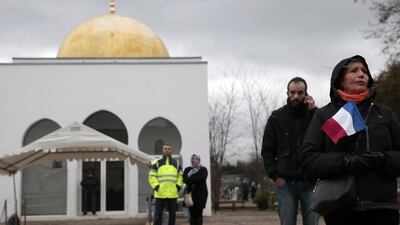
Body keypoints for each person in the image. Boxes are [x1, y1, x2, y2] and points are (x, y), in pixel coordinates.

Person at [300, 55, 400, 225]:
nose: (361, 74)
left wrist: (383, 159)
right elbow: (309, 160)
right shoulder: (325, 115)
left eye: (364, 71)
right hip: (341, 207)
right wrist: (346, 162)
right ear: (340, 80)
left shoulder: (385, 114)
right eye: (354, 70)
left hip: (382, 207)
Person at [261, 77, 319, 225]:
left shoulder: (315, 116)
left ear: (306, 94)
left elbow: (324, 141)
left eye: (300, 93)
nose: (296, 96)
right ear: (287, 93)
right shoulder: (276, 117)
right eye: (292, 92)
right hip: (285, 183)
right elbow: (267, 150)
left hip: (311, 182)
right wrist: (275, 176)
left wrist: (313, 112)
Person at [148, 144, 183, 225]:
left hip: (172, 193)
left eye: (169, 149)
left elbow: (180, 176)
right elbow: (152, 176)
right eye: (165, 149)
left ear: (171, 150)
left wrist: (178, 187)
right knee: (157, 215)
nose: (167, 150)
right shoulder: (157, 163)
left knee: (172, 215)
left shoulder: (176, 163)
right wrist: (156, 186)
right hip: (160, 193)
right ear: (162, 150)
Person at [183, 154, 208, 225]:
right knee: (192, 214)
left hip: (201, 195)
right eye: (192, 159)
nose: (194, 160)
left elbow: (201, 179)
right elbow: (184, 179)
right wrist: (194, 179)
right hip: (190, 195)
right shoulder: (187, 169)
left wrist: (190, 179)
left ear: (199, 160)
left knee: (198, 214)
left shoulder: (203, 169)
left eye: (196, 159)